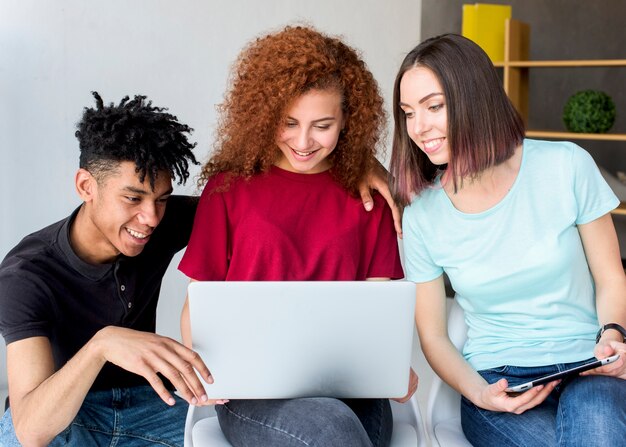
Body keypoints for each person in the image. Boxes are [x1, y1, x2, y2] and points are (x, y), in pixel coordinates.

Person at [178, 25, 417, 447]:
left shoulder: (367, 197)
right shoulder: (229, 189)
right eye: (288, 123)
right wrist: (204, 372)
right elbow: (201, 300)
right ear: (265, 115)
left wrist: (391, 365)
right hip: (254, 390)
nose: (304, 142)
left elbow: (377, 310)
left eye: (322, 125)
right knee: (333, 430)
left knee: (339, 423)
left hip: (352, 388)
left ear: (347, 120)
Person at [390, 33, 626, 446]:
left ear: (474, 98)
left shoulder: (566, 166)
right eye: (408, 113)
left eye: (434, 106)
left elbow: (610, 276)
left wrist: (613, 334)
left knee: (598, 422)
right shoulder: (423, 216)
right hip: (500, 383)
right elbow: (434, 337)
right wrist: (480, 393)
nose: (419, 127)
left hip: (587, 365)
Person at [0, 92, 213, 446]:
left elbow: (243, 206)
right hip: (67, 415)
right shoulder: (26, 274)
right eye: (133, 198)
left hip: (154, 406)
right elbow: (32, 428)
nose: (150, 218)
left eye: (161, 199)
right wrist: (102, 345)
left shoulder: (164, 222)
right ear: (86, 186)